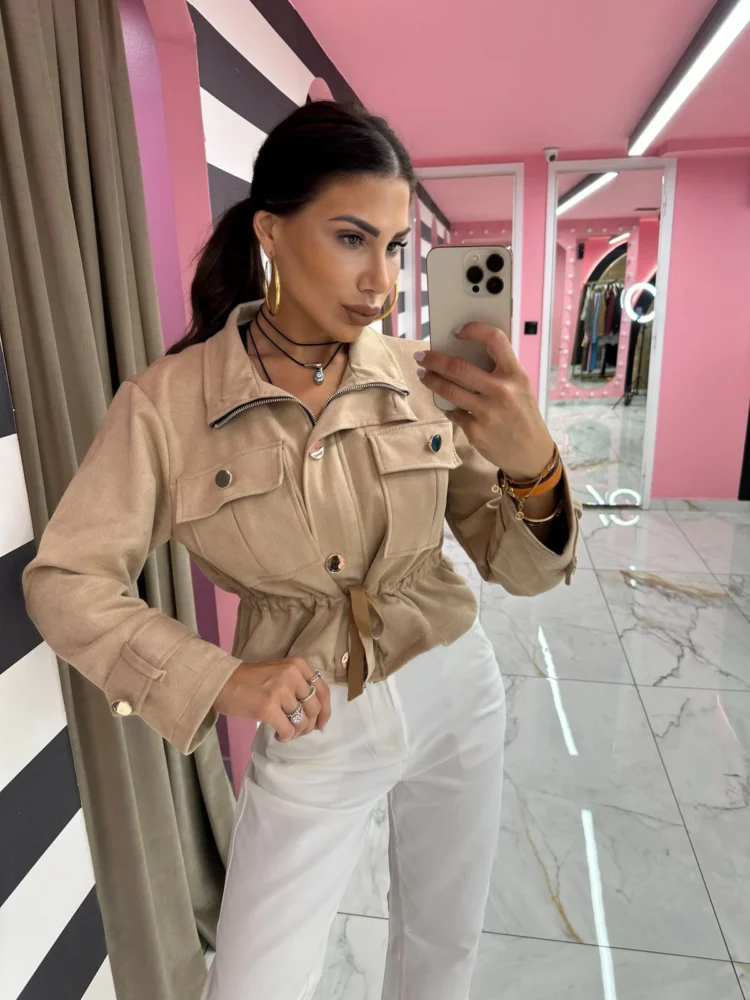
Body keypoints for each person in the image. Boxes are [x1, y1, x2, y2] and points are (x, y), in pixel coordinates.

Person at [23, 101, 579, 999]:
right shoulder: (169, 405)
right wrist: (218, 679)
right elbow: (66, 580)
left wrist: (533, 465)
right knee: (255, 982)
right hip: (316, 715)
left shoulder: (421, 377)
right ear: (272, 232)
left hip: (456, 688)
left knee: (443, 949)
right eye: (352, 238)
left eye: (394, 246)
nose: (380, 281)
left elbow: (520, 566)